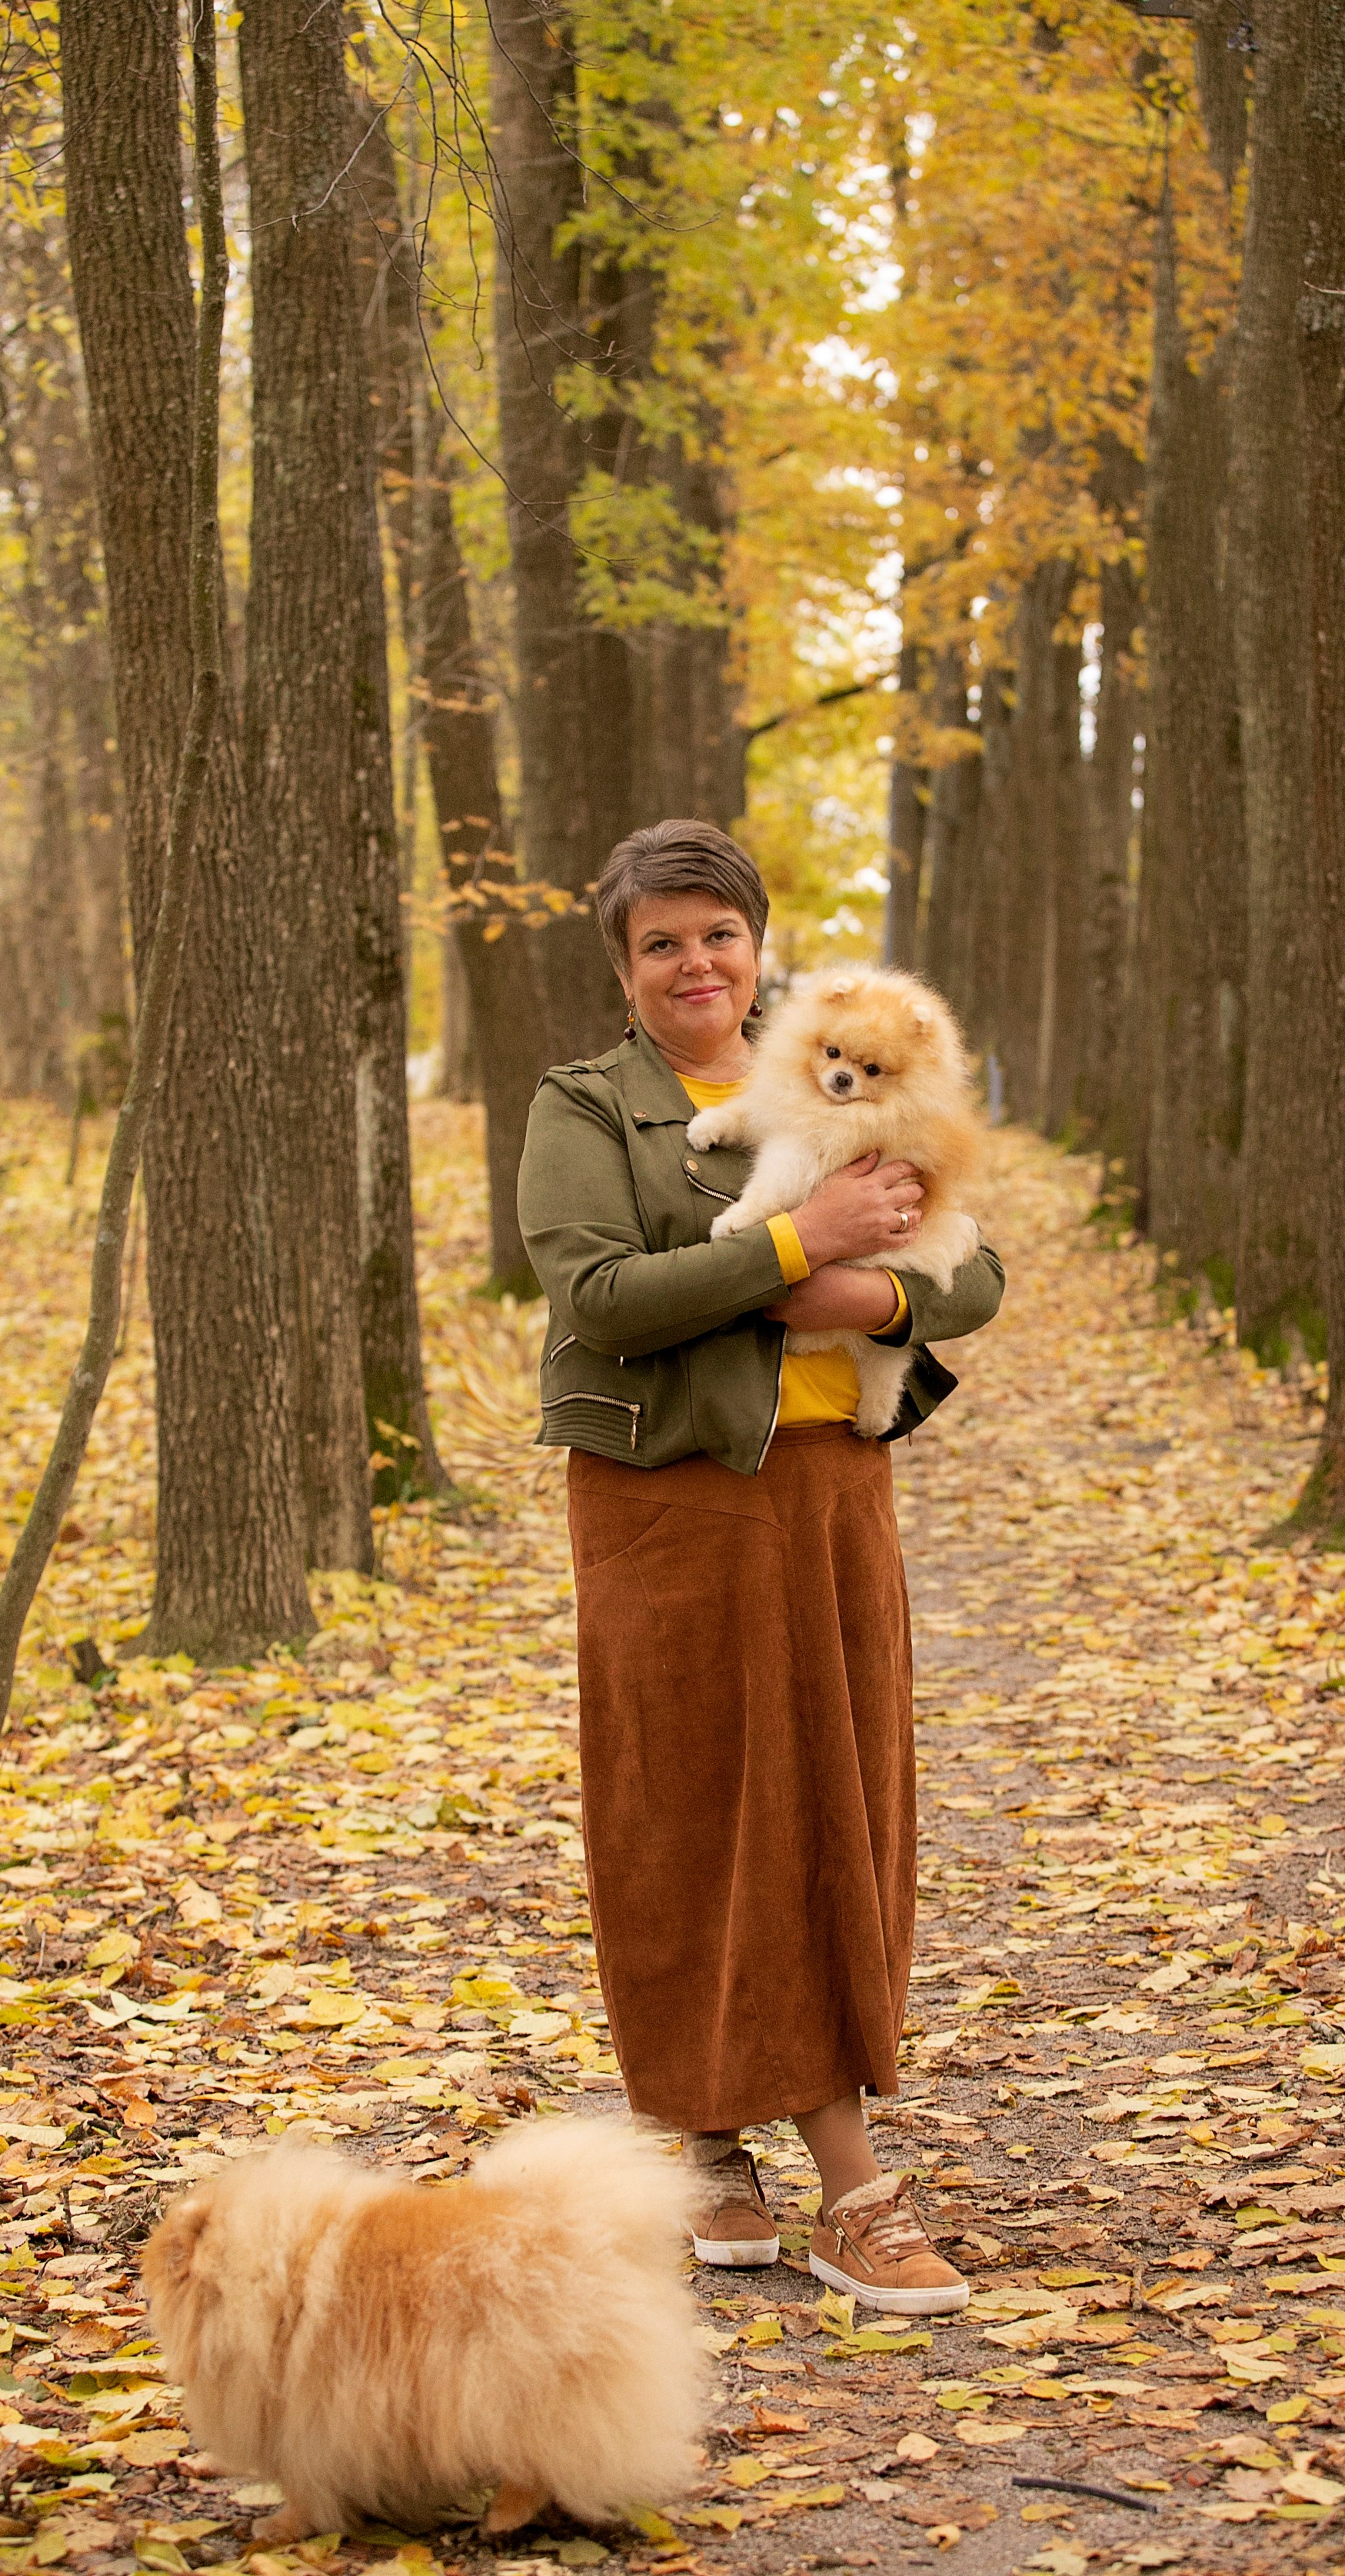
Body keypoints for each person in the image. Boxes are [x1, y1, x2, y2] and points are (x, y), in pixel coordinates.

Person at [517, 820, 1004, 2314]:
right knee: (687, 1813)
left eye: (717, 935)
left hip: (832, 1496)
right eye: (661, 941)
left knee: (832, 1804)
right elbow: (597, 1296)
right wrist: (799, 1251)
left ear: (757, 947)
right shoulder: (584, 1105)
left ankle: (758, 2154)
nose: (694, 964)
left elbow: (969, 1273)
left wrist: (850, 1276)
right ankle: (794, 2168)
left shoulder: (833, 1068)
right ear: (624, 964)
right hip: (667, 1504)